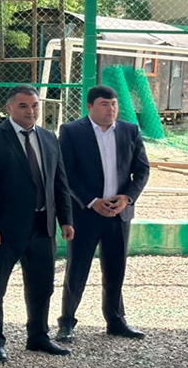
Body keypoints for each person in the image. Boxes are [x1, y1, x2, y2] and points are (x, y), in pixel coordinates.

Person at [0, 85, 74, 363]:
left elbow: (59, 182)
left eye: (35, 105)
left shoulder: (49, 138)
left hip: (43, 225)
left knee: (42, 285)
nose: (31, 111)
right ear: (9, 108)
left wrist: (66, 219)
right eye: (23, 106)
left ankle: (38, 336)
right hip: (4, 230)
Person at [55, 85, 150, 343]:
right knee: (77, 268)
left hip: (119, 214)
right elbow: (65, 173)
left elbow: (142, 170)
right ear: (90, 107)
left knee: (116, 268)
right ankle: (67, 322)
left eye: (114, 104)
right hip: (85, 214)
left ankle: (116, 321)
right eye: (104, 104)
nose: (111, 109)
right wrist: (91, 201)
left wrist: (127, 198)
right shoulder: (72, 131)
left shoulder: (130, 131)